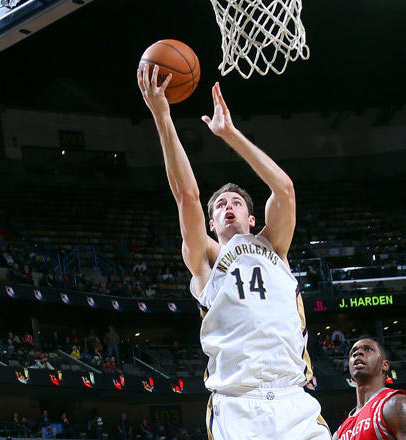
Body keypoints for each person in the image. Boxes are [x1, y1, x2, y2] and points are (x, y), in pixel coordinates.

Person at [137, 65, 329, 439]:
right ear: (211, 224)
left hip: (294, 400)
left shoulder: (274, 246)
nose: (228, 206)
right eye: (221, 205)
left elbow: (284, 189)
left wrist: (230, 134)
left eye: (236, 203)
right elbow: (187, 195)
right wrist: (162, 116)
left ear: (251, 218)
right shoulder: (205, 260)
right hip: (237, 405)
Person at [333, 339, 406, 440]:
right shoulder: (339, 434)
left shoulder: (397, 405)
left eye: (368, 349)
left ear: (385, 365)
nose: (357, 353)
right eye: (353, 352)